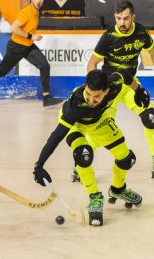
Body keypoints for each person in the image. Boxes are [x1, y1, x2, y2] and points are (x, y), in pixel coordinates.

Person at [33, 69, 149, 226]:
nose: (91, 100)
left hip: (98, 122)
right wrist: (39, 165)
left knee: (127, 159)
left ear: (106, 91)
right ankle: (94, 197)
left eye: (97, 96)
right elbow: (57, 135)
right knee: (83, 155)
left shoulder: (114, 83)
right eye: (88, 93)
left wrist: (138, 89)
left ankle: (118, 189)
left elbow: (126, 74)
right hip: (76, 125)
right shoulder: (77, 103)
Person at [87, 0, 154, 178]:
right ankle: (81, 163)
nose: (122, 23)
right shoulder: (108, 37)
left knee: (151, 118)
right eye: (118, 18)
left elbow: (152, 52)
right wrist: (94, 89)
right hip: (110, 86)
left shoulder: (142, 33)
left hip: (131, 84)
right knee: (101, 126)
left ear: (133, 17)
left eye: (125, 18)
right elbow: (92, 63)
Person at [0, 0, 62, 107]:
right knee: (1, 71)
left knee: (44, 65)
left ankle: (46, 97)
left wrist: (30, 38)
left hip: (28, 46)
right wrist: (31, 36)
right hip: (17, 47)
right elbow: (14, 28)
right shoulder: (27, 12)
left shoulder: (36, 11)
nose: (39, 0)